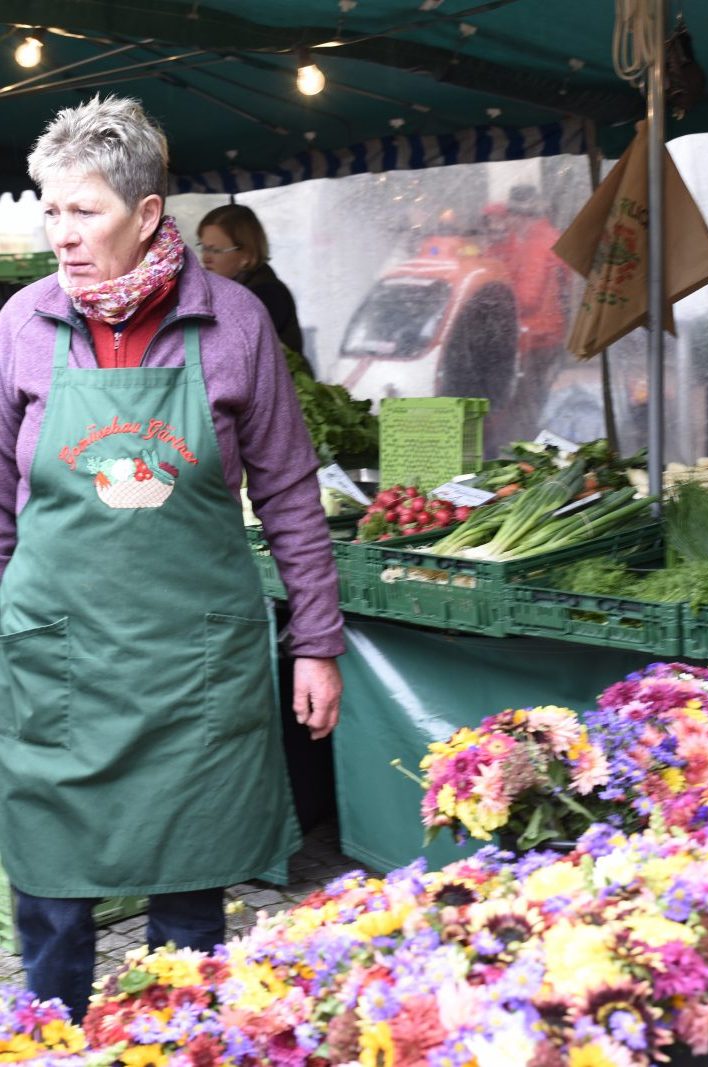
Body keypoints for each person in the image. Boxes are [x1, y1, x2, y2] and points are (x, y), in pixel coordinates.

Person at [0, 94, 344, 1022]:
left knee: (190, 911)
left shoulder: (231, 323)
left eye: (85, 210)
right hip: (57, 657)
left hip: (193, 664)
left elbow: (288, 493)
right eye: (50, 208)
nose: (59, 233)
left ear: (148, 212)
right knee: (54, 901)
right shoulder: (22, 325)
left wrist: (317, 641)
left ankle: (179, 1038)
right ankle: (52, 1038)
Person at [481, 185, 569, 438]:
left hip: (536, 338)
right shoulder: (545, 237)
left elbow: (526, 298)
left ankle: (521, 453)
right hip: (545, 334)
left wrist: (490, 304)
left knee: (524, 405)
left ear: (521, 215)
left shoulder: (537, 244)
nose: (508, 223)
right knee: (532, 400)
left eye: (510, 216)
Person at [197, 203, 307, 362]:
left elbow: (230, 352)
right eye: (204, 248)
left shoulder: (266, 294)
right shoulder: (227, 291)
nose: (206, 257)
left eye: (215, 250)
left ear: (246, 256)